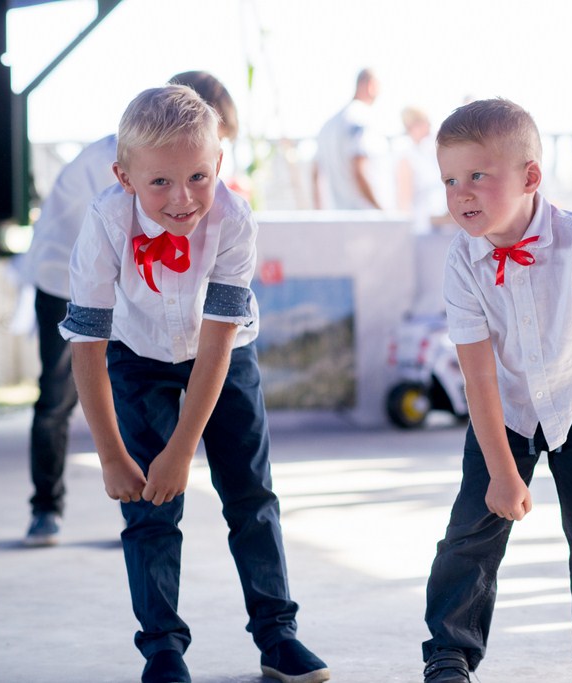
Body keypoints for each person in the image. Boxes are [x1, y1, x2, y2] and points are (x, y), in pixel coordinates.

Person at [58, 85, 329, 683]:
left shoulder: (233, 220)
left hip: (224, 354)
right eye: (159, 182)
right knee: (149, 505)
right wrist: (111, 456)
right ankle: (162, 647)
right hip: (136, 353)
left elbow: (216, 348)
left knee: (251, 495)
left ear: (219, 166)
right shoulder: (104, 222)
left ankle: (277, 635)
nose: (182, 200)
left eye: (198, 177)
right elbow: (88, 348)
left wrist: (183, 451)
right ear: (124, 176)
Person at [422, 98, 572, 683]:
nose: (461, 192)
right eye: (450, 179)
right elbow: (477, 376)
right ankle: (450, 651)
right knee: (472, 531)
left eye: (478, 175)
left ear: (530, 176)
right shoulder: (462, 262)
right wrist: (503, 471)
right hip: (504, 405)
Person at [21, 71, 238, 547]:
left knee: (137, 379)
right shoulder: (125, 161)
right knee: (59, 391)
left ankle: (142, 504)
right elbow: (112, 246)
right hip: (65, 271)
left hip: (122, 271)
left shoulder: (174, 171)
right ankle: (46, 506)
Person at [311, 68, 387, 210]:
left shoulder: (328, 125)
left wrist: (319, 215)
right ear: (371, 86)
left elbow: (316, 175)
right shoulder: (361, 118)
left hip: (338, 219)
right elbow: (359, 170)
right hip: (366, 220)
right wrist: (382, 212)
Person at [395, 105, 448, 233]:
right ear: (414, 126)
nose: (429, 128)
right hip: (421, 229)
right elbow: (404, 201)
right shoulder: (406, 156)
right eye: (426, 123)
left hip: (439, 226)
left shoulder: (428, 153)